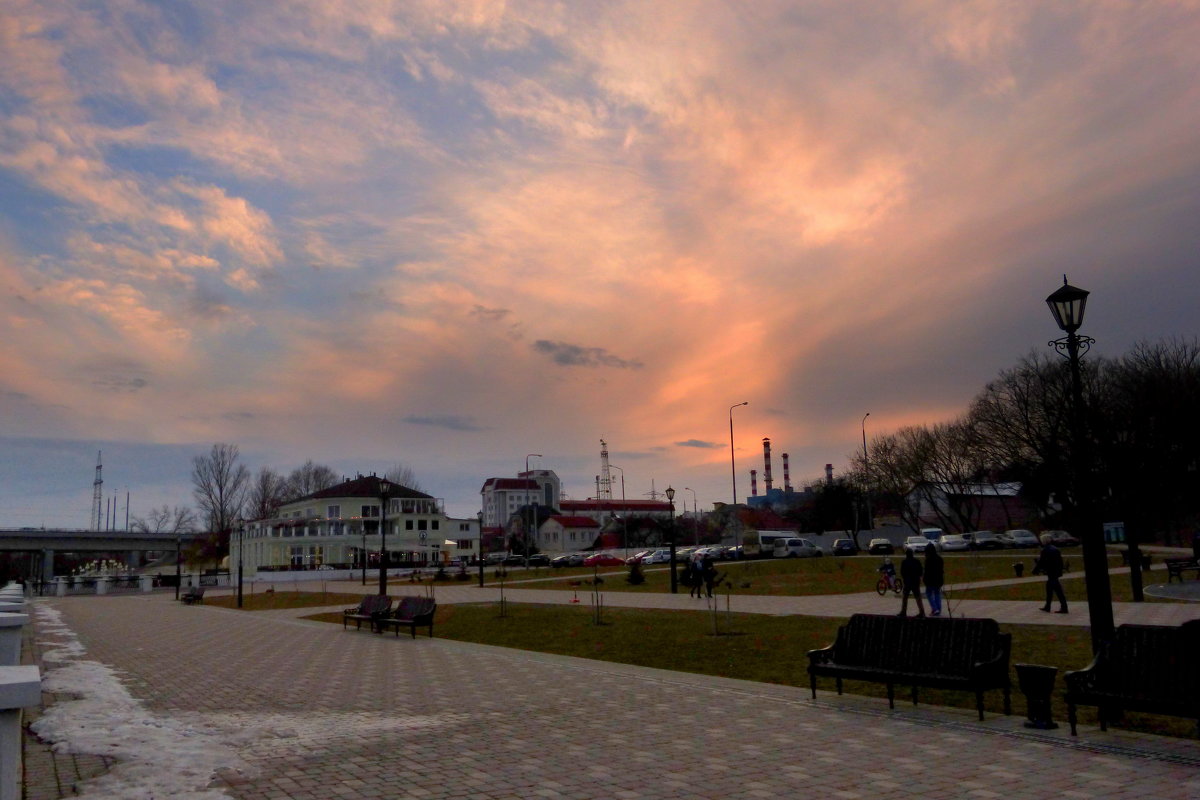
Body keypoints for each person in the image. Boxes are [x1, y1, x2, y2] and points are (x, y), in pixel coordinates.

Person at [1035, 534, 1068, 613]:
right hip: (1055, 573)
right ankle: (1048, 606)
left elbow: (1041, 562)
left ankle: (1063, 608)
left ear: (1044, 541)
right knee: (1050, 589)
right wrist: (1060, 571)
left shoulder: (1045, 550)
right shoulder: (1055, 549)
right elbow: (1060, 561)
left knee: (1057, 591)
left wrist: (1035, 570)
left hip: (1051, 573)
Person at [898, 548, 925, 617]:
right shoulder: (917, 561)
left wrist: (904, 579)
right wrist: (919, 577)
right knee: (918, 597)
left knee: (905, 597)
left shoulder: (904, 562)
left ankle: (903, 611)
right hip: (916, 581)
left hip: (907, 582)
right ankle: (921, 611)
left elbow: (902, 572)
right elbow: (921, 571)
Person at [923, 543, 944, 617]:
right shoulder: (939, 559)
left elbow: (927, 571)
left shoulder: (928, 560)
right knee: (937, 594)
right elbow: (941, 570)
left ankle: (935, 608)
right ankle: (938, 608)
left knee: (929, 594)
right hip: (938, 580)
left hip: (930, 580)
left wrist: (924, 579)